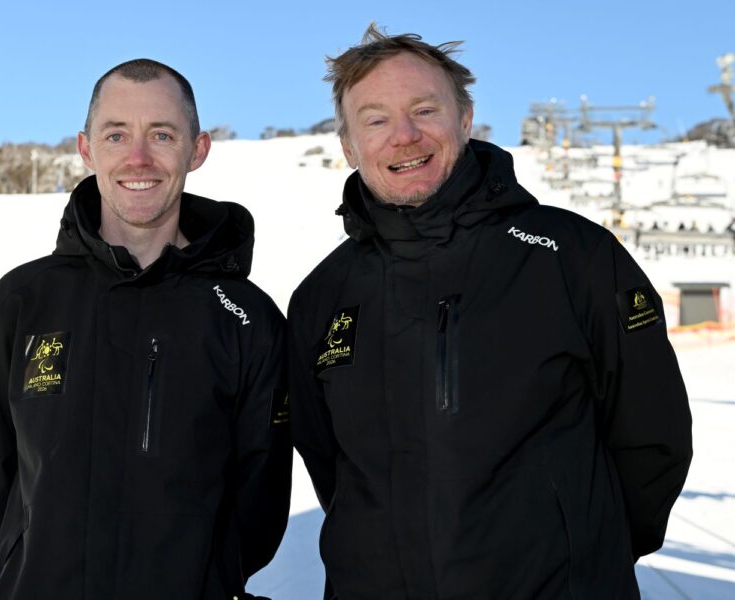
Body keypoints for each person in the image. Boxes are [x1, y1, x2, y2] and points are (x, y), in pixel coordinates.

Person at [288, 24, 692, 598]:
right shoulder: (323, 296)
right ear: (349, 146)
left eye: (425, 110)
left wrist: (588, 552)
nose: (405, 136)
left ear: (465, 119)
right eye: (376, 120)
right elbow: (330, 468)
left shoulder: (571, 256)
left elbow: (653, 436)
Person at [0, 59, 291, 599]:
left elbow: (258, 508)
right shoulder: (20, 302)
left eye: (162, 135)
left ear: (197, 150)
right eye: (116, 135)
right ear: (86, 148)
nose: (138, 158)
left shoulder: (245, 317)